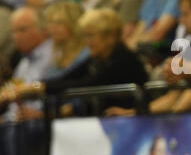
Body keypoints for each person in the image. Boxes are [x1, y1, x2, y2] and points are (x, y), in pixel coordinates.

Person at [9, 8, 148, 114]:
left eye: (91, 36)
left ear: (110, 37)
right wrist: (35, 87)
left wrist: (37, 88)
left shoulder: (124, 59)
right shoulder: (97, 58)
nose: (87, 42)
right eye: (85, 36)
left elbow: (88, 84)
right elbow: (68, 77)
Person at [0, 7, 53, 122]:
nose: (16, 37)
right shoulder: (23, 63)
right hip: (17, 123)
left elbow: (56, 90)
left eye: (22, 30)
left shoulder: (54, 56)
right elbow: (13, 102)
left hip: (42, 123)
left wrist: (45, 114)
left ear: (43, 29)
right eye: (13, 31)